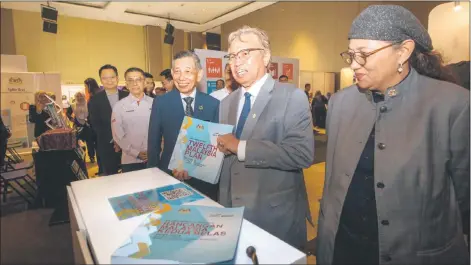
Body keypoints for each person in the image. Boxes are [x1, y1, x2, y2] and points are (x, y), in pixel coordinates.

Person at [316, 5, 469, 265]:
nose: (354, 64)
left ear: (404, 51)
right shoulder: (341, 103)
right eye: (351, 55)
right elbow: (332, 186)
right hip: (344, 250)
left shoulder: (454, 106)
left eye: (364, 54)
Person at [216, 26, 315, 250]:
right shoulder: (226, 103)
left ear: (266, 56)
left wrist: (240, 147)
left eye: (245, 53)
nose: (237, 62)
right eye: (232, 56)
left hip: (275, 217)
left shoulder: (292, 97)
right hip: (232, 211)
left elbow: (301, 154)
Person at [147, 50, 220, 200]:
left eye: (188, 71)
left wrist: (195, 168)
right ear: (172, 74)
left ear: (199, 74)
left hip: (204, 179)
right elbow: (153, 142)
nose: (181, 77)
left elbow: (215, 145)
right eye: (177, 72)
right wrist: (153, 177)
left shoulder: (212, 104)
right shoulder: (161, 103)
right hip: (169, 176)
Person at [88, 64, 129, 176]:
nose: (109, 80)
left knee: (131, 176)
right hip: (107, 145)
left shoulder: (128, 96)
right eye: (105, 78)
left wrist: (123, 139)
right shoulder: (95, 100)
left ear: (117, 78)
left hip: (129, 145)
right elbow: (95, 124)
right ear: (101, 80)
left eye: (112, 77)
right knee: (112, 177)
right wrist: (114, 139)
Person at [112, 67, 153, 173]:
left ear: (144, 82)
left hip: (153, 158)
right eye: (130, 80)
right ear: (126, 84)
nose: (135, 83)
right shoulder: (119, 106)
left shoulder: (155, 103)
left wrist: (155, 150)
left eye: (138, 79)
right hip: (130, 160)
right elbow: (117, 134)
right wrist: (136, 152)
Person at [66, 91, 96, 163]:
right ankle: (80, 157)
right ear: (76, 97)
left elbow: (93, 113)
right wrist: (71, 118)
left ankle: (91, 157)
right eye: (78, 96)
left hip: (87, 126)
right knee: (78, 143)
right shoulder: (73, 105)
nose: (79, 98)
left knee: (90, 143)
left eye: (81, 96)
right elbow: (68, 113)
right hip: (77, 126)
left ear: (84, 96)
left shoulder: (88, 104)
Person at [85, 78, 103, 173]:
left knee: (99, 149)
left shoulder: (96, 95)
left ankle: (102, 169)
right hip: (95, 126)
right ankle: (101, 169)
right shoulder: (96, 94)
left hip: (97, 127)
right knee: (98, 149)